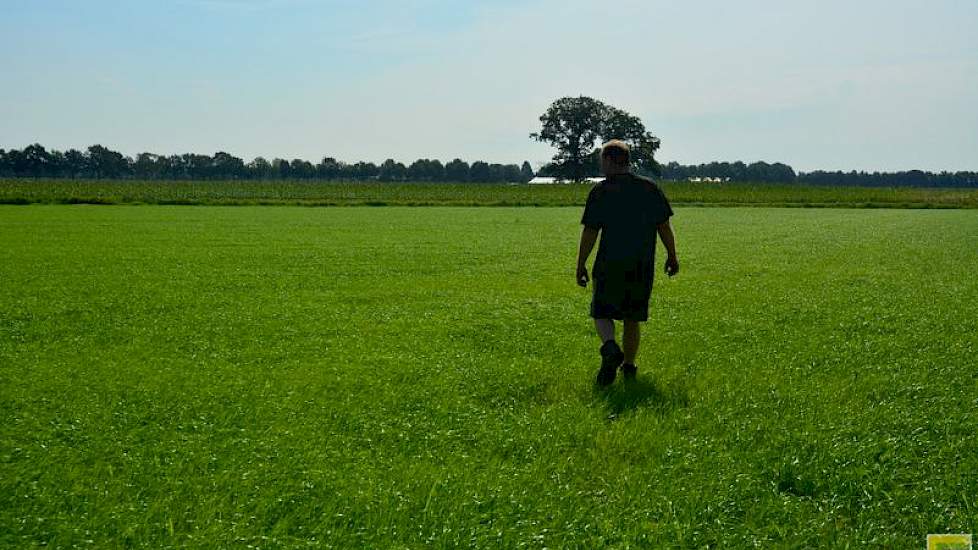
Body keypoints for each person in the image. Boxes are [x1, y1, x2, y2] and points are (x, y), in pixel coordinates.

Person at [575, 140, 679, 386]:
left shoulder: (600, 192)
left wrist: (580, 264)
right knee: (632, 317)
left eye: (602, 161)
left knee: (601, 311)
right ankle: (629, 367)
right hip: (641, 264)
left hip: (609, 263)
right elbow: (664, 226)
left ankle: (610, 347)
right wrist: (672, 256)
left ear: (610, 160)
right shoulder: (649, 188)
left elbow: (590, 232)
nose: (601, 166)